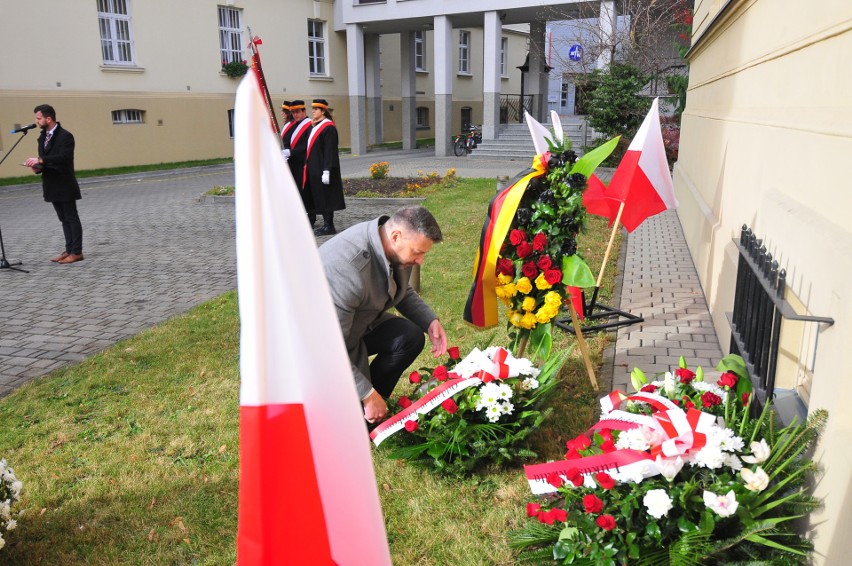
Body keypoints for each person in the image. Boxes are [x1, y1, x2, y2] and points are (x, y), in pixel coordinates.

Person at [319, 205, 448, 424]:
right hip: (319, 348)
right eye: (418, 253)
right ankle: (364, 406)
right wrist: (366, 394)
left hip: (354, 326)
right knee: (342, 424)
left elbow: (399, 287)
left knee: (410, 336)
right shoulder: (347, 268)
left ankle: (371, 407)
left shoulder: (388, 245)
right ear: (396, 236)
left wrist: (429, 320)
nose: (420, 261)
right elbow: (328, 348)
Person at [24, 104, 84, 264]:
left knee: (71, 217)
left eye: (38, 118)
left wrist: (41, 160)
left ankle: (77, 252)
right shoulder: (42, 137)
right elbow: (44, 160)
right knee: (63, 218)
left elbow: (64, 157)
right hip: (51, 184)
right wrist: (37, 167)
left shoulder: (65, 136)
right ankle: (69, 249)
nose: (36, 121)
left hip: (64, 182)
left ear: (48, 118)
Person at [304, 98, 345, 236]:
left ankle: (329, 225)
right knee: (319, 196)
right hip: (314, 168)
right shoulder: (314, 126)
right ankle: (325, 224)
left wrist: (327, 170)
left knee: (327, 196)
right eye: (313, 109)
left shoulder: (328, 127)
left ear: (323, 111)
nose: (313, 111)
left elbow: (330, 150)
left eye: (316, 109)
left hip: (324, 168)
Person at [280, 100, 315, 226]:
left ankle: (311, 217)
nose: (295, 115)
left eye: (297, 112)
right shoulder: (294, 125)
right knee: (296, 192)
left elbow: (307, 145)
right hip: (293, 163)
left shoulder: (309, 125)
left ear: (304, 111)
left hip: (304, 163)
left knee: (305, 191)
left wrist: (291, 152)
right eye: (293, 112)